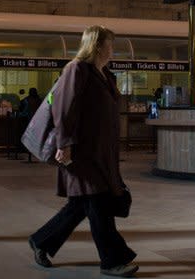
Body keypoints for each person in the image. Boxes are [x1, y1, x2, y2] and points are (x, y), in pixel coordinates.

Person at [29, 25, 138, 277]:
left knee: (80, 205)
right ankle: (113, 260)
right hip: (82, 153)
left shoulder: (105, 75)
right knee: (98, 204)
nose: (112, 50)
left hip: (102, 154)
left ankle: (41, 241)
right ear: (96, 46)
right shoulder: (77, 69)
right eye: (109, 45)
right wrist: (64, 144)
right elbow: (64, 109)